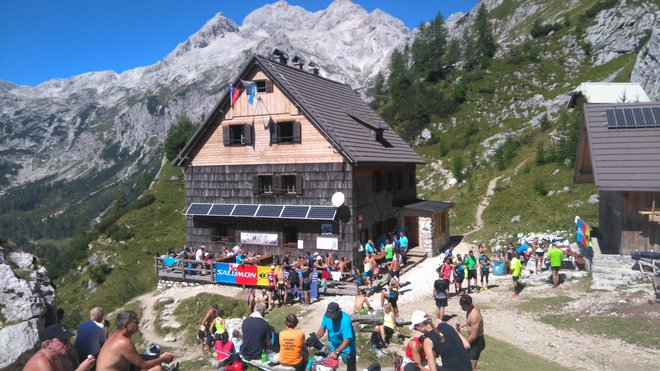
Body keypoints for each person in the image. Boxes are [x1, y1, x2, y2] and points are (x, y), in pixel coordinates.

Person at [96, 311, 175, 371]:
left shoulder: (117, 336)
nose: (138, 323)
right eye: (135, 322)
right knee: (157, 369)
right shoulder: (124, 342)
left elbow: (136, 358)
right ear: (126, 325)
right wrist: (163, 359)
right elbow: (144, 365)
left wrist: (159, 357)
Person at [24, 324, 96, 371]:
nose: (67, 343)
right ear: (48, 344)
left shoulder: (58, 357)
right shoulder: (41, 361)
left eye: (68, 340)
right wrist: (82, 369)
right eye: (63, 340)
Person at [315, 302, 356, 371]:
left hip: (347, 348)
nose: (330, 317)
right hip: (333, 346)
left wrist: (337, 351)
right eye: (329, 315)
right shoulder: (327, 316)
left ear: (338, 311)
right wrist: (315, 338)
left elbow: (347, 340)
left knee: (351, 365)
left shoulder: (345, 320)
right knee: (331, 366)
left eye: (332, 315)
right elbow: (322, 329)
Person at [456, 295, 485, 371]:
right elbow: (474, 323)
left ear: (468, 305)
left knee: (472, 367)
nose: (461, 307)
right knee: (465, 362)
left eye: (463, 305)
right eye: (461, 304)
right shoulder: (472, 307)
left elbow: (474, 335)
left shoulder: (474, 315)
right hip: (473, 341)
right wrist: (466, 324)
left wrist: (463, 344)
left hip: (477, 342)